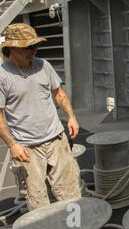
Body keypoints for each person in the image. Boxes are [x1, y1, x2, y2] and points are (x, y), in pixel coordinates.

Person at [0, 23, 81, 211]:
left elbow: (59, 93)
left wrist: (71, 117)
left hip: (56, 140)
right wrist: (13, 144)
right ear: (12, 48)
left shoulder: (44, 66)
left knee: (71, 194)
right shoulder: (2, 76)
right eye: (28, 47)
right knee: (38, 201)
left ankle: (76, 228)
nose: (34, 50)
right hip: (28, 148)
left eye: (35, 46)